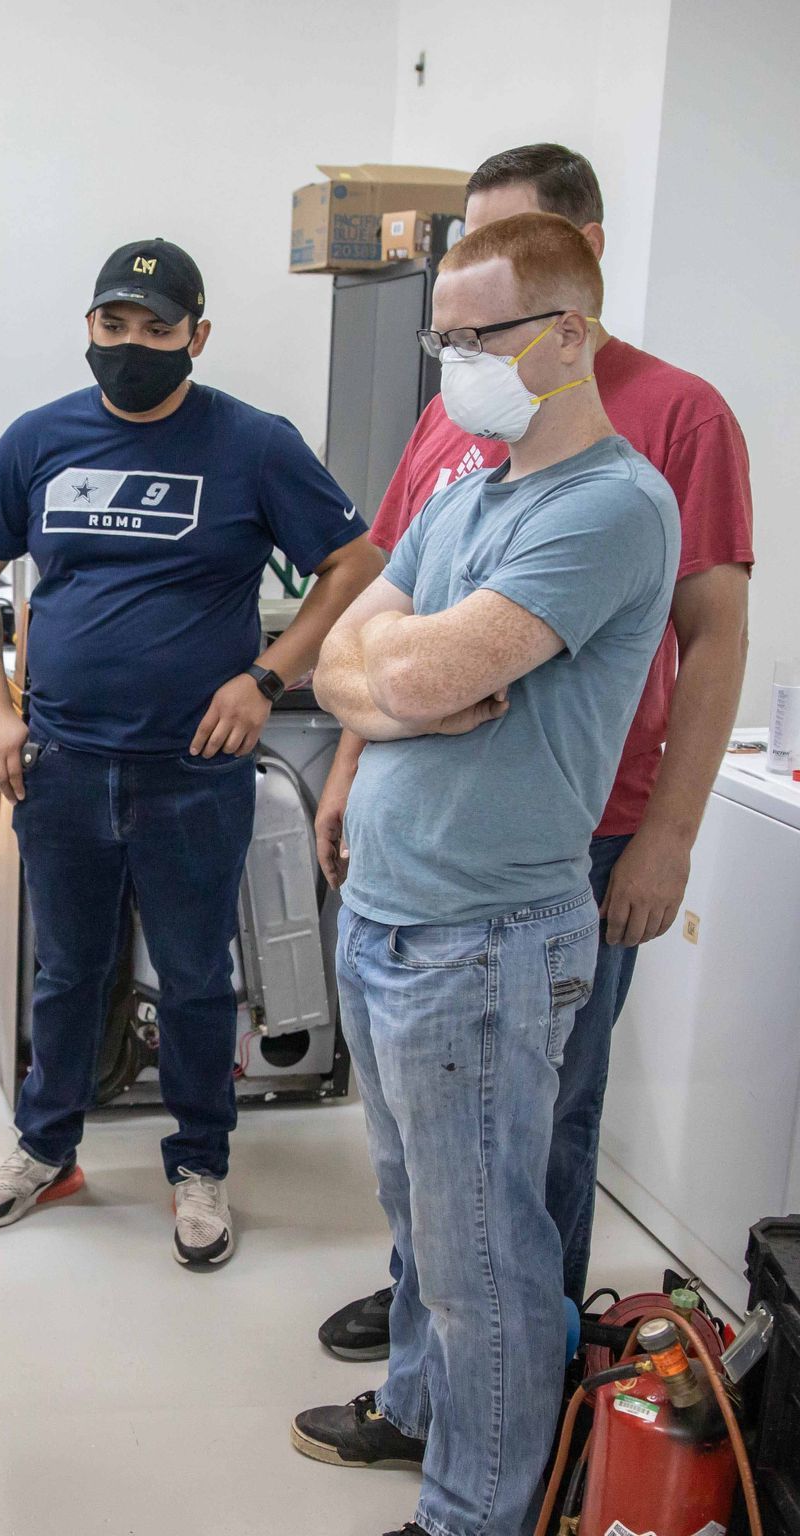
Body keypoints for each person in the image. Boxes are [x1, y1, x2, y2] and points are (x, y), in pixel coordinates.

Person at [314, 144, 753, 1373]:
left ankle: (528, 1394)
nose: (456, 339)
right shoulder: (467, 429)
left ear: (577, 279)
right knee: (436, 1158)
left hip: (577, 826)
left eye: (487, 302)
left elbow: (714, 638)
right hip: (424, 815)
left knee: (535, 1145)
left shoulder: (672, 420)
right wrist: (359, 751)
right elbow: (369, 639)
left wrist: (668, 836)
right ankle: (443, 1370)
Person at [296, 212, 679, 1536]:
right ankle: (421, 1418)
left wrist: (397, 676)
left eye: (482, 335)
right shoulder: (470, 488)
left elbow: (414, 665)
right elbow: (355, 656)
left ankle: (475, 1515)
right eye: (444, 336)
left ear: (569, 337)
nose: (456, 360)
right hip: (391, 918)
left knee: (485, 1263)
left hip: (486, 934)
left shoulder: (613, 506)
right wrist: (391, 687)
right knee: (421, 1232)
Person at [0, 237, 382, 1264]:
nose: (130, 346)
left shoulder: (253, 444)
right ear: (88, 326)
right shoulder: (39, 440)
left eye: (154, 329)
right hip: (59, 757)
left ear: (198, 336)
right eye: (113, 325)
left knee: (193, 975)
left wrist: (268, 675)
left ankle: (200, 1164)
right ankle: (46, 1148)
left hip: (192, 768)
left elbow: (354, 562)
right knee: (66, 970)